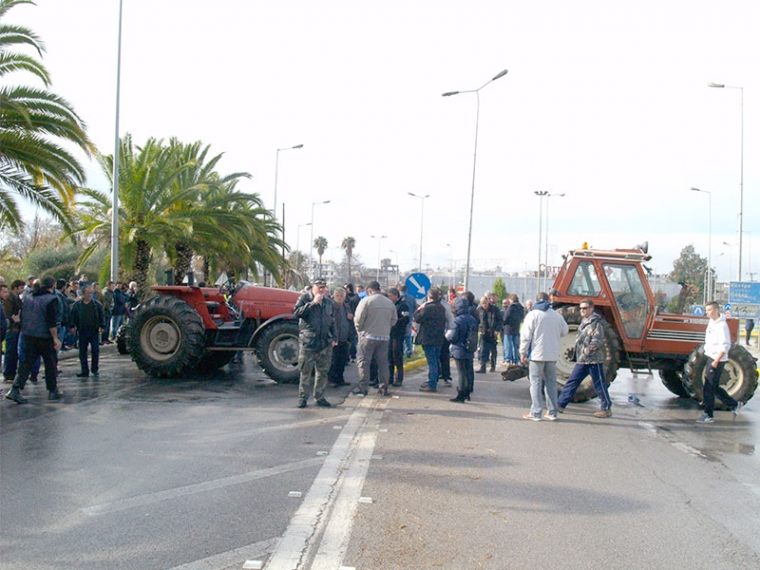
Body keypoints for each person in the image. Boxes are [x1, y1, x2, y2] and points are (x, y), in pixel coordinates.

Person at [5, 276, 64, 403]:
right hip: (44, 337)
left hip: (28, 335)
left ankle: (15, 389)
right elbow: (51, 321)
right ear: (52, 286)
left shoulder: (29, 297)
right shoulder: (51, 299)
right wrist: (55, 338)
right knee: (51, 364)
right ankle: (53, 390)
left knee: (26, 364)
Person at [556, 299, 613, 418]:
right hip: (583, 360)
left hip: (593, 360)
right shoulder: (584, 322)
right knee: (572, 382)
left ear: (591, 309)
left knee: (599, 384)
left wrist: (586, 352)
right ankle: (560, 405)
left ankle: (606, 408)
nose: (582, 310)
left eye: (585, 308)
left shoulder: (596, 323)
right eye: (581, 308)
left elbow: (597, 342)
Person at [519, 292, 569, 420]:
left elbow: (526, 336)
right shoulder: (557, 315)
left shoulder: (533, 315)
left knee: (535, 382)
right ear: (548, 300)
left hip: (536, 354)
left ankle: (536, 412)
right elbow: (565, 331)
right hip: (552, 354)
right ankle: (552, 412)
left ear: (536, 301)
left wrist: (523, 352)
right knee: (551, 383)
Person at [695, 301, 743, 424]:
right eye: (706, 310)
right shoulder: (712, 322)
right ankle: (734, 404)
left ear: (716, 310)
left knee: (709, 387)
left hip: (717, 359)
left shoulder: (722, 326)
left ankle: (708, 414)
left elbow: (725, 345)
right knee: (714, 387)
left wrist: (716, 361)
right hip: (710, 356)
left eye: (709, 310)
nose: (707, 312)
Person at [292, 278, 336, 408]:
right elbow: (297, 313)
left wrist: (334, 337)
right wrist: (313, 303)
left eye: (323, 287)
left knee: (322, 372)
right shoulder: (305, 298)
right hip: (309, 342)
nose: (321, 290)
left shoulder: (328, 302)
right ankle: (303, 398)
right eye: (319, 287)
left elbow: (332, 321)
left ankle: (320, 396)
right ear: (313, 287)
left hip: (324, 342)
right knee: (305, 372)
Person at [353, 281, 397, 396]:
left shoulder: (366, 301)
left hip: (368, 336)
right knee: (383, 363)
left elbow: (358, 319)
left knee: (364, 362)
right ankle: (384, 386)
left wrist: (360, 330)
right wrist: (386, 328)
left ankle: (363, 387)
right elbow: (394, 320)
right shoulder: (389, 303)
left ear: (369, 290)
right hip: (384, 337)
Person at [446, 296, 479, 402]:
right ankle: (468, 391)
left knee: (461, 372)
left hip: (459, 348)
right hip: (470, 348)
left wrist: (447, 337)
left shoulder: (457, 320)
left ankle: (461, 394)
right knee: (468, 370)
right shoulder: (472, 319)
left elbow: (453, 337)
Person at [414, 286, 447, 392]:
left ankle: (432, 384)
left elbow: (418, 318)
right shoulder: (441, 307)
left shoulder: (428, 308)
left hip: (428, 338)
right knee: (436, 360)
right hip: (439, 337)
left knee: (432, 362)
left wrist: (418, 310)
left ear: (429, 296)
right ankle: (433, 379)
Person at [70, 285, 105, 378]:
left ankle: (95, 369)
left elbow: (102, 316)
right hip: (82, 331)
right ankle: (84, 370)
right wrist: (72, 327)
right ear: (83, 294)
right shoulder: (77, 305)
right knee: (82, 351)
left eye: (91, 293)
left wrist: (102, 326)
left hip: (94, 331)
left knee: (95, 350)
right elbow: (72, 317)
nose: (89, 295)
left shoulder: (97, 305)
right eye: (87, 293)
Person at [327, 287, 355, 387]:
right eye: (337, 296)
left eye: (341, 296)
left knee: (342, 361)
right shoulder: (330, 306)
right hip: (334, 338)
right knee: (333, 360)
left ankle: (340, 379)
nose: (339, 298)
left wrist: (351, 317)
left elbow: (351, 321)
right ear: (334, 296)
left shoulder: (346, 307)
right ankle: (331, 380)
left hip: (344, 338)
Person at [387, 287, 409, 387]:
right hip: (389, 334)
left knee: (397, 356)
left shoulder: (403, 305)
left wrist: (394, 322)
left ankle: (399, 378)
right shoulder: (388, 305)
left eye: (390, 296)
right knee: (389, 357)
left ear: (396, 295)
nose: (389, 297)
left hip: (398, 334)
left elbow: (406, 319)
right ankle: (389, 377)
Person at [2, 280, 24, 382]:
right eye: (21, 287)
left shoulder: (16, 298)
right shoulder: (9, 300)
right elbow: (7, 314)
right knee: (10, 352)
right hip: (11, 328)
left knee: (14, 352)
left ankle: (11, 372)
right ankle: (8, 373)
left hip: (16, 327)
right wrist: (12, 320)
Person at [476, 294, 500, 373]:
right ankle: (483, 367)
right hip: (484, 332)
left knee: (493, 350)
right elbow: (477, 321)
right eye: (482, 303)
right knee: (483, 349)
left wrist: (497, 330)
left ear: (488, 302)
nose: (484, 305)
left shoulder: (495, 309)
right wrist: (479, 329)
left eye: (485, 303)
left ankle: (493, 366)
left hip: (492, 332)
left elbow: (500, 320)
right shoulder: (479, 310)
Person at [502, 294, 525, 365]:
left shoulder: (511, 307)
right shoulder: (521, 308)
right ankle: (516, 360)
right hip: (516, 327)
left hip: (508, 328)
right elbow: (522, 317)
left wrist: (503, 323)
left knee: (508, 344)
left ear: (511, 299)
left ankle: (508, 359)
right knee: (515, 345)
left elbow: (505, 317)